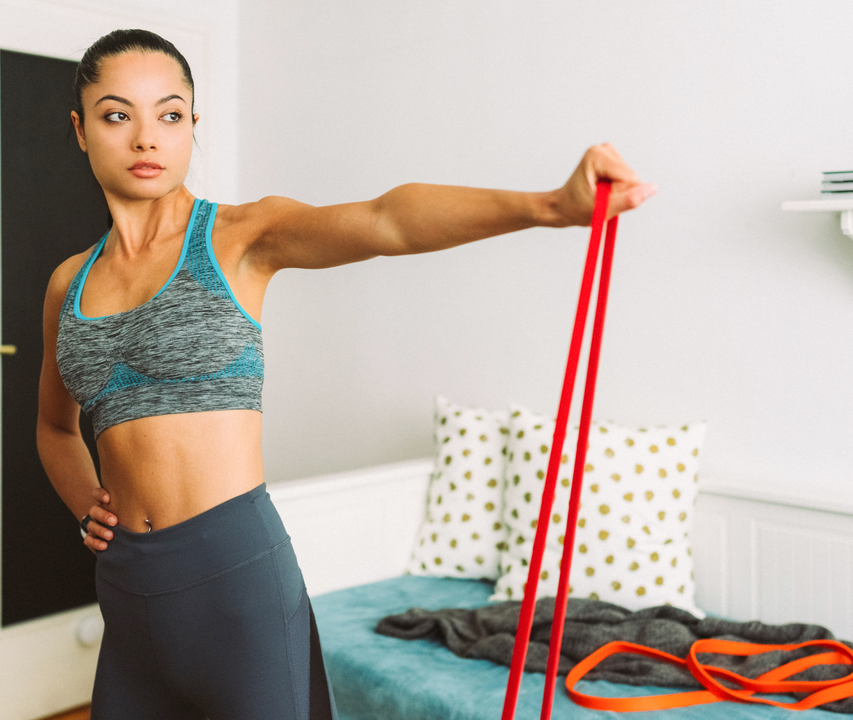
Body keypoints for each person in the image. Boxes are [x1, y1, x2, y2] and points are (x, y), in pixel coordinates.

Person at [37, 27, 654, 720]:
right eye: (119, 115)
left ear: (191, 126)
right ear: (82, 129)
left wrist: (550, 207)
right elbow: (55, 428)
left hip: (233, 579)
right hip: (127, 585)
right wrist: (84, 498)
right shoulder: (70, 283)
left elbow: (386, 220)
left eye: (170, 114)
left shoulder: (239, 237)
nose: (147, 137)